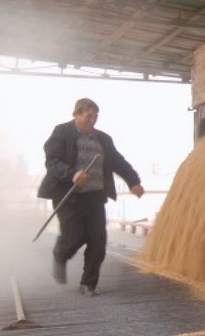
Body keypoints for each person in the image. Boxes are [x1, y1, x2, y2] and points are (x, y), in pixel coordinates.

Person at [38, 98, 144, 296]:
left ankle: (88, 284)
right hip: (69, 197)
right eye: (88, 116)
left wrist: (133, 181)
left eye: (95, 117)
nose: (92, 120)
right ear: (76, 115)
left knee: (98, 240)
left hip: (95, 197)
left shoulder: (103, 139)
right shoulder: (61, 133)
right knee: (74, 237)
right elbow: (52, 161)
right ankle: (60, 255)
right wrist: (72, 174)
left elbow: (118, 162)